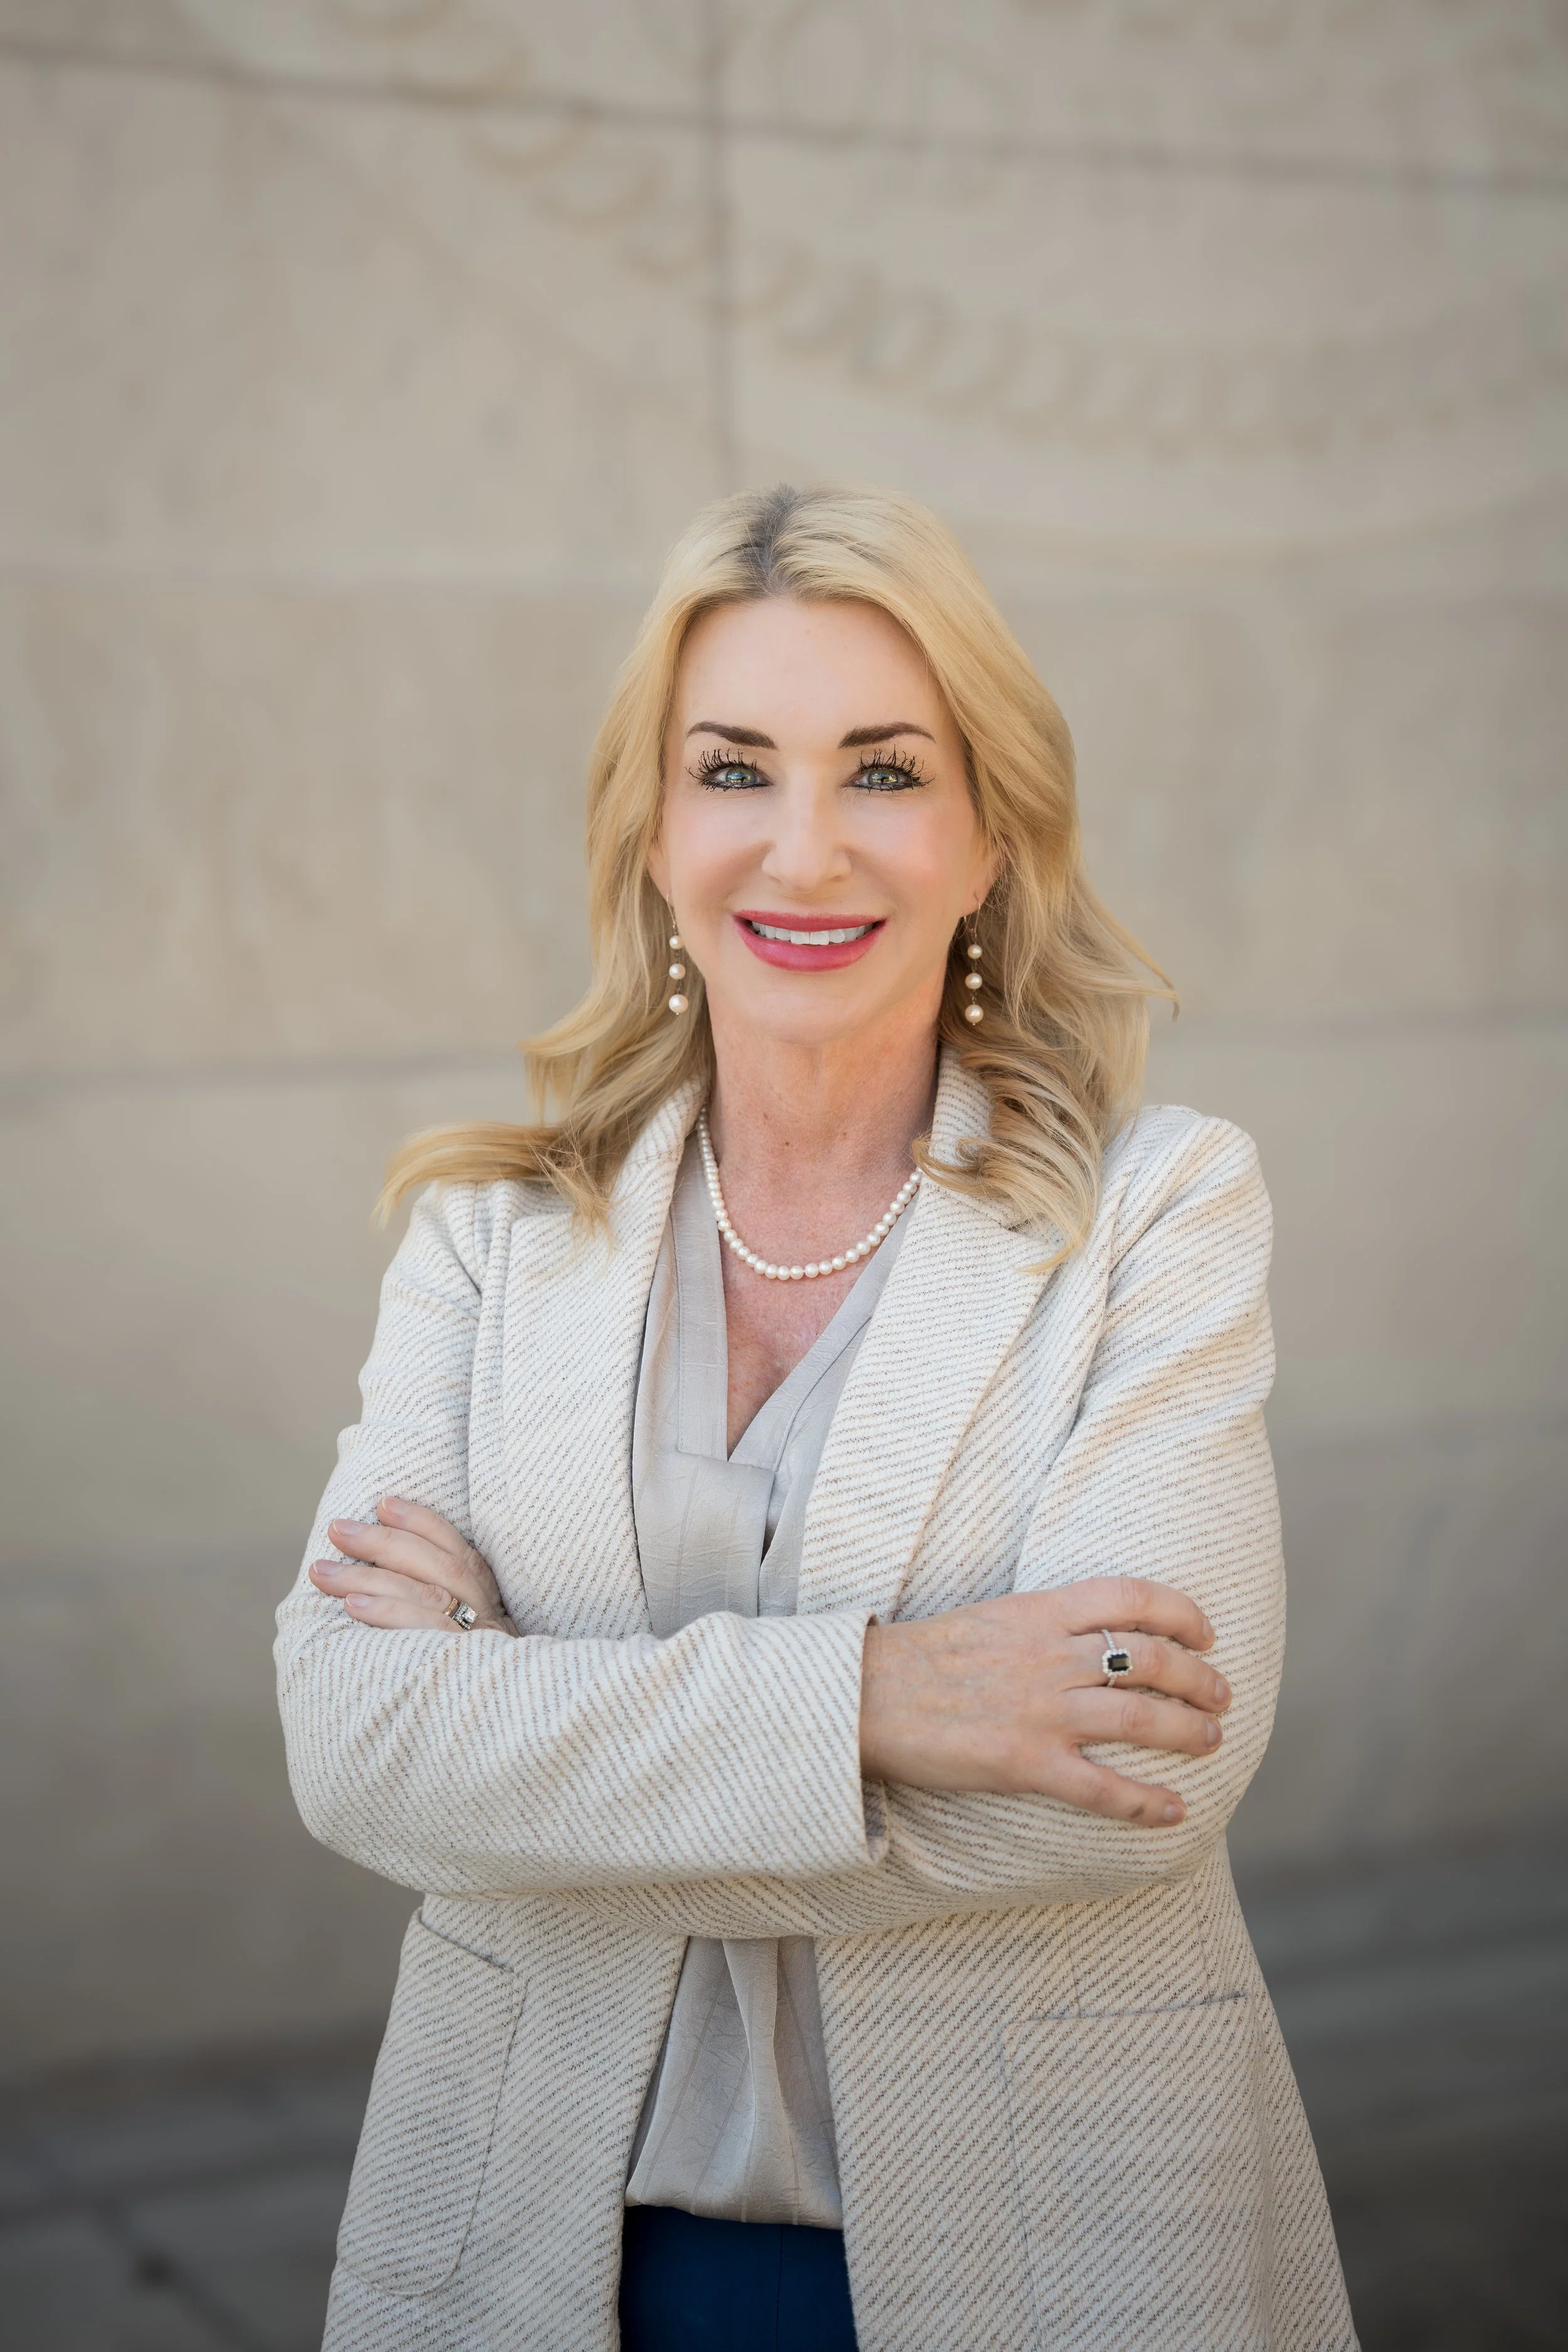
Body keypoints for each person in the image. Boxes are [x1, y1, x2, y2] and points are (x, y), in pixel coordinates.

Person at [277, 482, 1355, 2352]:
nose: (804, 848)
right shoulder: (491, 1238)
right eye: (732, 770)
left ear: (989, 835)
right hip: (538, 2237)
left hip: (1054, 2238)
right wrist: (885, 1701)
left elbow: (1139, 1778)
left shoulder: (1158, 1211)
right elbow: (356, 1740)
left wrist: (526, 1733)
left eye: (882, 771)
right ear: (653, 831)